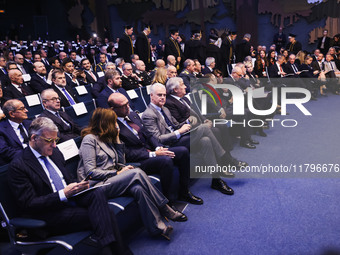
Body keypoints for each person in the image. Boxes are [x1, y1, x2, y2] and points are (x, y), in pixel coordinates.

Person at [8, 117, 131, 255]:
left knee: (97, 193)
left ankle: (108, 250)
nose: (54, 145)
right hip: (49, 212)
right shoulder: (19, 165)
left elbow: (68, 179)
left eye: (56, 140)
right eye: (50, 140)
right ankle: (118, 252)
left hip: (70, 201)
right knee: (105, 214)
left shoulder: (55, 153)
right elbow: (29, 204)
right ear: (34, 138)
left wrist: (78, 186)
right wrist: (63, 194)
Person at [77, 108, 186, 240]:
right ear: (105, 123)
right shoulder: (89, 139)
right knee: (137, 173)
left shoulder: (108, 138)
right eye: (114, 122)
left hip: (113, 180)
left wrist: (117, 140)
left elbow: (120, 162)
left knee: (138, 189)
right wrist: (117, 172)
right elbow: (90, 172)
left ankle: (158, 228)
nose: (117, 125)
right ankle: (165, 208)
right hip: (97, 185)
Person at [142, 83, 236, 195]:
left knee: (205, 140)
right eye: (159, 95)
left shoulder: (165, 109)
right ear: (151, 96)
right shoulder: (148, 114)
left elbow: (176, 125)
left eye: (164, 95)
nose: (163, 97)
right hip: (169, 146)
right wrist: (179, 132)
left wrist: (186, 122)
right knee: (203, 128)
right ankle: (225, 158)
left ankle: (216, 179)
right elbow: (158, 139)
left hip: (179, 139)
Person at [0, 99, 31, 165]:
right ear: (11, 114)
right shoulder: (1, 129)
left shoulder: (30, 123)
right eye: (22, 109)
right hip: (19, 163)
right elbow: (5, 152)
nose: (26, 111)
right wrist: (30, 153)